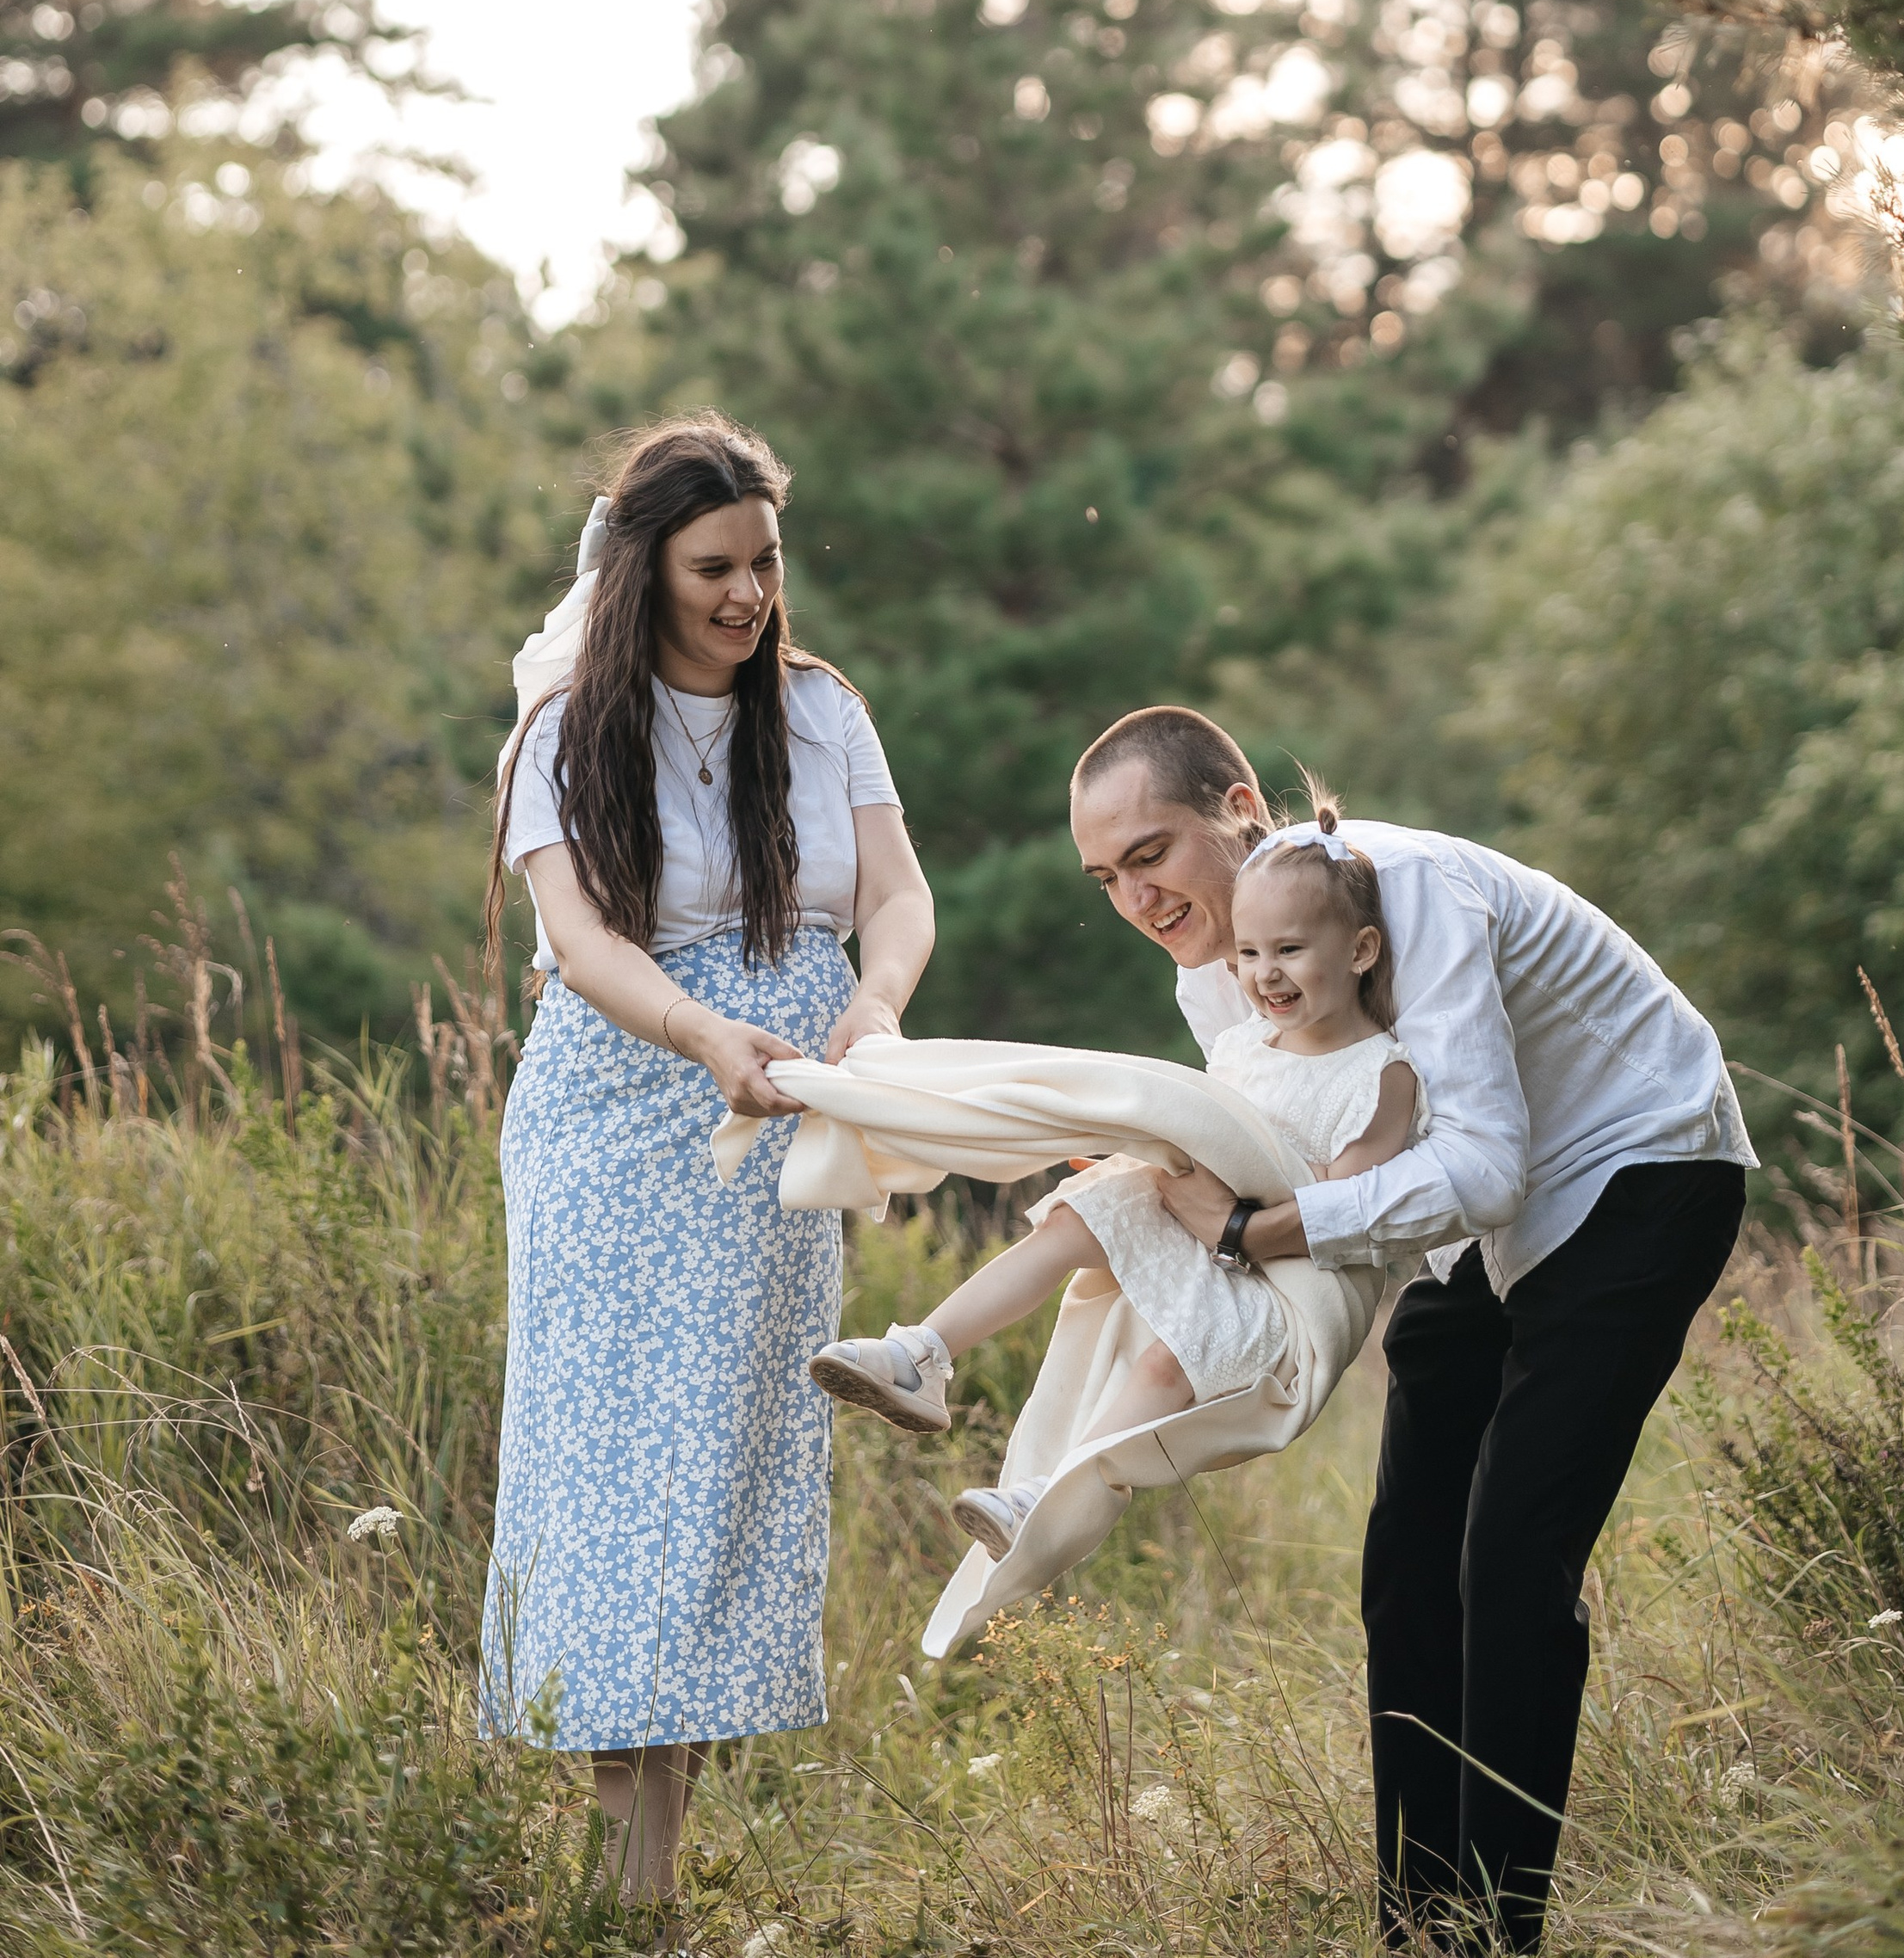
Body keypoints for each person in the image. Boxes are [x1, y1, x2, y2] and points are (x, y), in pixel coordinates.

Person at [1068, 705, 1753, 1956]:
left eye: (1150, 854)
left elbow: (1479, 1166)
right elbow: (1297, 1155)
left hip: (1635, 1171)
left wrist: (1248, 1233)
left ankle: (1496, 1934)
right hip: (1464, 1227)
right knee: (1407, 1563)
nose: (1136, 898)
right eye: (1105, 877)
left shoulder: (1412, 889)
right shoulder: (1210, 974)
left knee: (1511, 1552)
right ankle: (1417, 1928)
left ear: (1239, 811)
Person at [477, 415, 934, 1908]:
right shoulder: (565, 736)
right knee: (612, 1479)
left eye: (765, 564)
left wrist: (874, 1008)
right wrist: (698, 1032)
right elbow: (580, 943)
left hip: (779, 1123)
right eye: (713, 568)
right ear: (642, 571)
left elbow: (900, 897)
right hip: (618, 1120)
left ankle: (644, 1883)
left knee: (721, 1476)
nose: (747, 596)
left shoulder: (822, 712)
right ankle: (635, 1892)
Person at [809, 827, 1424, 1559]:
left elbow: (1337, 1207)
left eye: (1289, 951)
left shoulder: (1381, 1075)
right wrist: (1139, 1144)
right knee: (1073, 1220)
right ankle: (922, 1354)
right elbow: (1202, 1125)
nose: (1267, 975)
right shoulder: (1246, 1043)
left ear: (1360, 951)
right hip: (1198, 1214)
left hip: (1276, 1272)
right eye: (1251, 954)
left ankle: (1048, 1497)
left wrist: (1226, 1193)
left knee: (1167, 1361)